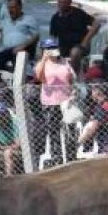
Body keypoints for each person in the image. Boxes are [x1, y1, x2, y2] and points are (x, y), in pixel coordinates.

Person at [34, 37, 77, 168]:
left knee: (69, 129)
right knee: (53, 130)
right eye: (49, 48)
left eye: (54, 47)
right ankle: (57, 156)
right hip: (50, 102)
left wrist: (73, 91)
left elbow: (72, 78)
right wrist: (44, 59)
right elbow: (38, 77)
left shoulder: (65, 62)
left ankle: (70, 155)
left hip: (66, 101)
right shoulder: (43, 64)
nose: (53, 50)